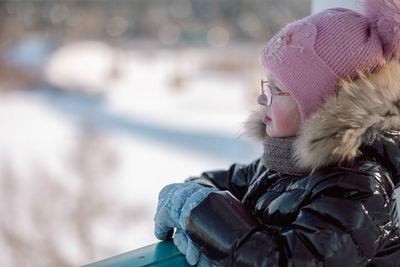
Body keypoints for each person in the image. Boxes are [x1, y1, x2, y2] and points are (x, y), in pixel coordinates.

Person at [154, 0, 400, 265]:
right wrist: (203, 227)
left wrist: (204, 215)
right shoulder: (279, 165)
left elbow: (288, 261)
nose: (261, 97)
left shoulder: (358, 188)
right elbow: (211, 186)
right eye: (265, 83)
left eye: (277, 88)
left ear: (325, 105)